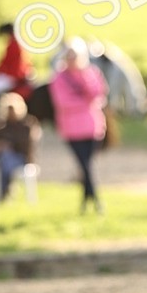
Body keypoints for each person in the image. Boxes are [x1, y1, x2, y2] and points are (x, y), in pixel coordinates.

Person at [48, 37, 108, 212]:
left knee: (87, 165)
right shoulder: (59, 78)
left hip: (92, 127)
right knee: (85, 165)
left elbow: (99, 93)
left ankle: (86, 201)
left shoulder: (90, 73)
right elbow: (63, 102)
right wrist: (85, 102)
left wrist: (83, 79)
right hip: (71, 129)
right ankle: (95, 200)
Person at [0, 92, 40, 201]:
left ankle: (5, 192)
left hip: (22, 159)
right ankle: (6, 191)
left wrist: (9, 145)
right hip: (2, 159)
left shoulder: (27, 125)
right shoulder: (2, 126)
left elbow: (28, 146)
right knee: (5, 158)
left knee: (6, 158)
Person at [0, 23, 35, 101]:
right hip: (24, 72)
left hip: (14, 74)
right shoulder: (21, 41)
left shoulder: (13, 44)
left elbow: (7, 62)